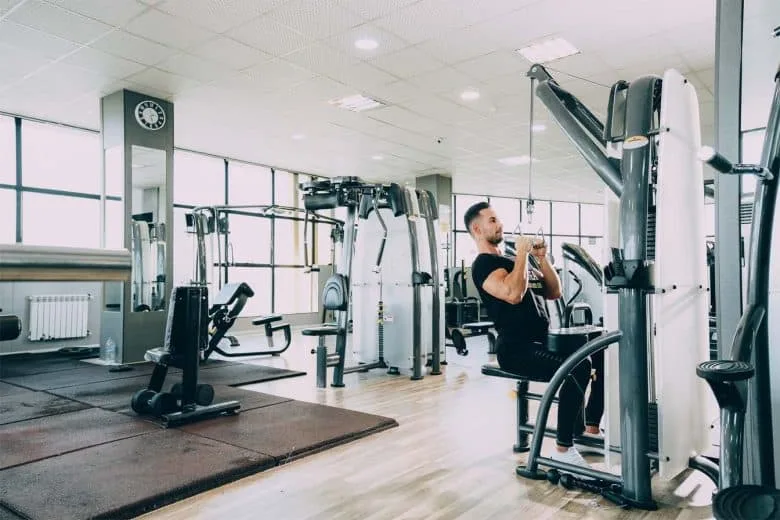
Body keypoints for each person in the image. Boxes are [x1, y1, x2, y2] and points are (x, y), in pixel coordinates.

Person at [464, 201, 603, 469]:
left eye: (498, 219)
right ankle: (563, 449)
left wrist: (540, 258)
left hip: (542, 342)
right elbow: (513, 294)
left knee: (596, 352)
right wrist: (521, 256)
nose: (500, 224)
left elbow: (554, 291)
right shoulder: (483, 265)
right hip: (515, 349)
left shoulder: (514, 263)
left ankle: (589, 429)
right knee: (577, 368)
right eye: (493, 220)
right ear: (477, 229)